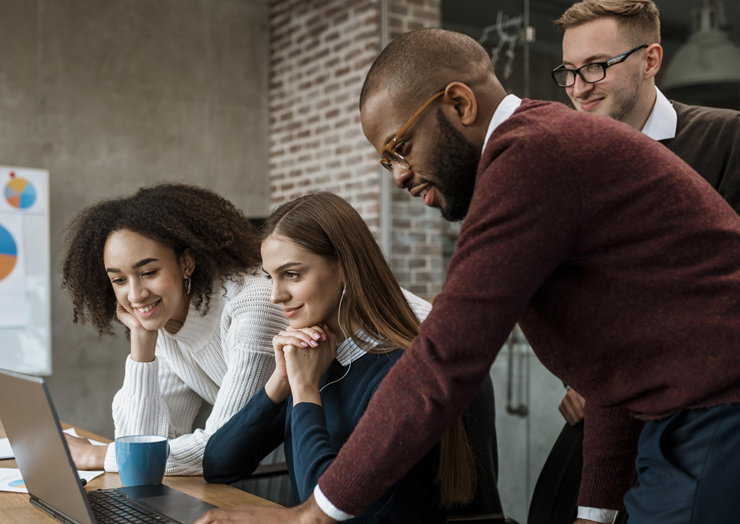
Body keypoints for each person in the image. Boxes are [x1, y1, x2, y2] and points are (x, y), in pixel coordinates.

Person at [195, 28, 740, 524]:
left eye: (401, 147)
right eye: (386, 162)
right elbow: (615, 362)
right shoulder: (541, 151)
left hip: (716, 415)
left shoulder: (531, 157)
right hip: (687, 421)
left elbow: (446, 359)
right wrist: (594, 516)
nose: (401, 175)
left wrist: (308, 516)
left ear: (458, 103)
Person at [201, 192, 474, 523]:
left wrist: (304, 388)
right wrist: (281, 381)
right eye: (271, 277)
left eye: (292, 274)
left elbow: (321, 510)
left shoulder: (398, 372)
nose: (275, 296)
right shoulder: (316, 358)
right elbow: (218, 465)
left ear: (344, 267)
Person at [552, 0, 740, 431]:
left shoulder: (728, 139)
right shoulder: (565, 167)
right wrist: (576, 376)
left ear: (650, 60)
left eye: (597, 66)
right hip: (599, 419)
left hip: (704, 420)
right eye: (569, 71)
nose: (579, 88)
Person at [61, 183, 289, 475]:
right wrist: (142, 345)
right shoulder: (167, 323)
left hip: (314, 464)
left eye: (148, 273)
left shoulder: (252, 305)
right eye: (119, 280)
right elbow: (144, 444)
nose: (135, 294)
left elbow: (220, 443)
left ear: (186, 263)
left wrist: (99, 455)